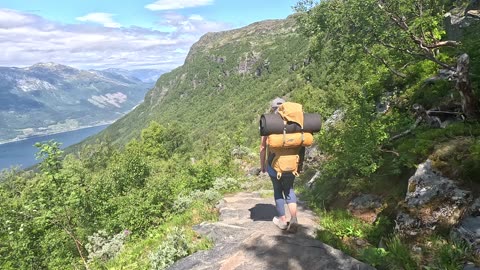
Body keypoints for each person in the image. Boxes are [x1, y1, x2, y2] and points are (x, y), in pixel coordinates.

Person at [260, 97, 299, 232]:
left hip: (274, 163)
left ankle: (282, 220)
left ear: (273, 109)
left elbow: (262, 147)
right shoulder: (295, 121)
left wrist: (263, 165)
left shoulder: (269, 123)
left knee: (278, 190)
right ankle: (294, 218)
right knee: (289, 189)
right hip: (292, 162)